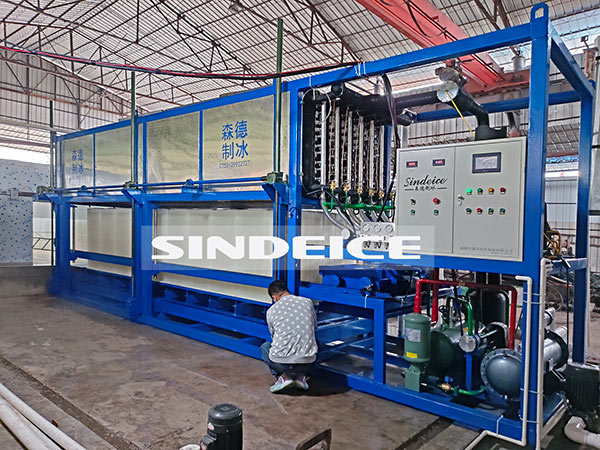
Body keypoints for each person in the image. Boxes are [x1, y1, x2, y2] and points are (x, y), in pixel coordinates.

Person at [261, 280, 318, 393]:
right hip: (306, 363)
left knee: (265, 347)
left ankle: (284, 378)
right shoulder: (307, 302)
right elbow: (314, 327)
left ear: (274, 298)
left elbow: (274, 337)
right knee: (315, 343)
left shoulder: (271, 311)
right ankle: (301, 377)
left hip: (282, 364)